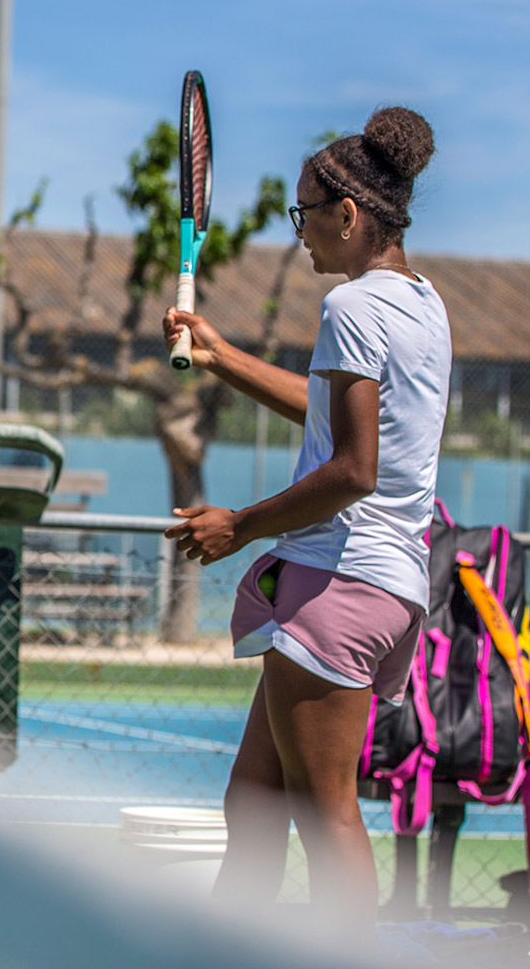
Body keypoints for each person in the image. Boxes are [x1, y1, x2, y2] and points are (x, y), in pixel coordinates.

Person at [161, 106, 450, 936]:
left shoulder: (354, 308)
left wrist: (240, 525)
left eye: (305, 214)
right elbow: (335, 415)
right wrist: (221, 357)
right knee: (253, 800)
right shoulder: (423, 305)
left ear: (349, 215)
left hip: (343, 582)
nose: (301, 234)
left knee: (327, 819)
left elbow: (353, 469)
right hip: (383, 587)